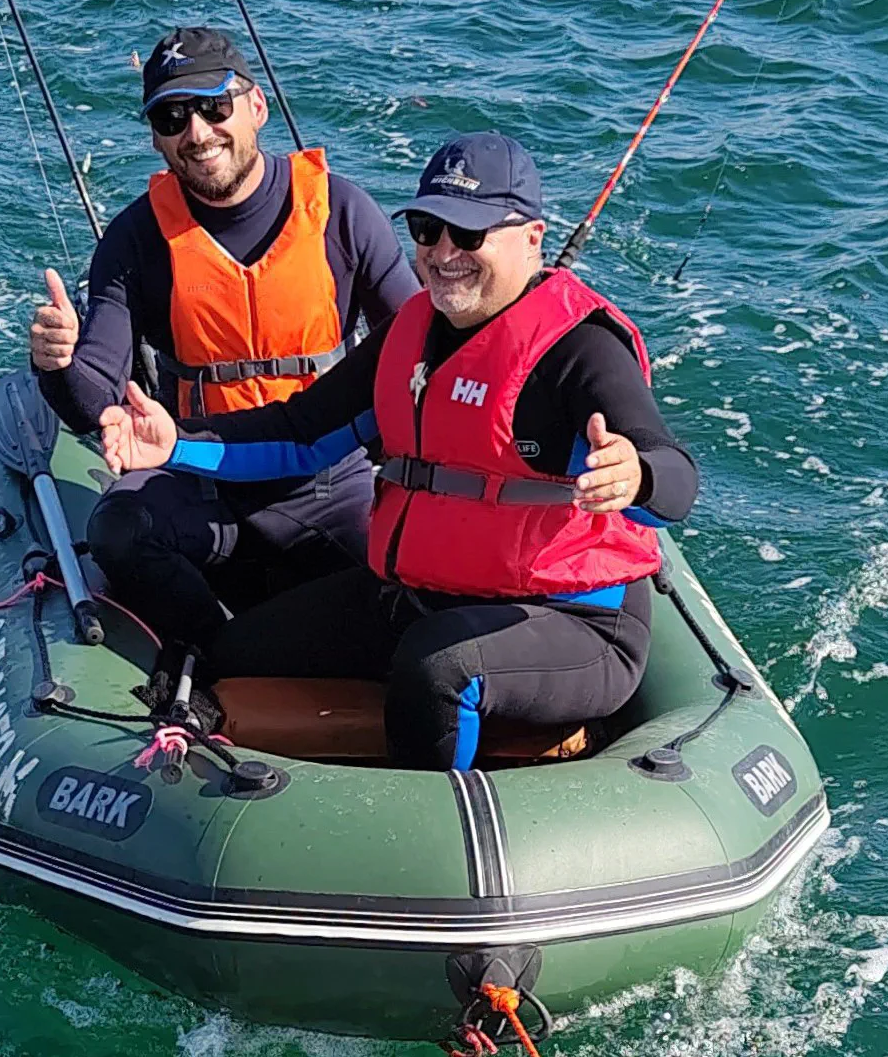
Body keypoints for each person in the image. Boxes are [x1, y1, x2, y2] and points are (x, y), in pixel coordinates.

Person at [95, 132, 697, 771]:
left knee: (437, 668)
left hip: (573, 622)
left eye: (468, 236)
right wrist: (175, 444)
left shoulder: (581, 350)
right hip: (424, 594)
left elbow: (675, 475)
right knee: (237, 652)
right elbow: (301, 432)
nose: (443, 254)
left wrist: (635, 475)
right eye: (426, 229)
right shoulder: (407, 335)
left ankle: (432, 840)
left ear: (532, 237)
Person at [29, 27, 416, 647]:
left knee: (416, 585)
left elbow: (416, 347)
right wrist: (57, 364)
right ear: (156, 138)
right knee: (119, 531)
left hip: (329, 482)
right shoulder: (134, 242)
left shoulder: (342, 213)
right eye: (173, 117)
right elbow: (94, 396)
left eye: (215, 107)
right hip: (196, 478)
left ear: (255, 107)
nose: (198, 133)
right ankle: (215, 663)